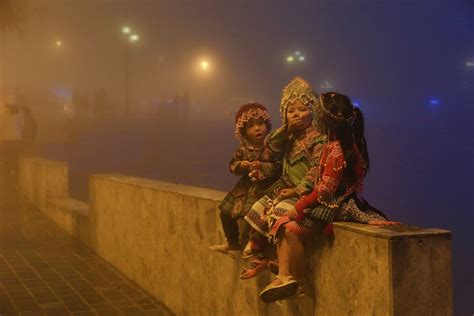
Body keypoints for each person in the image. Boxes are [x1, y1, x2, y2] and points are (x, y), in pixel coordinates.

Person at [258, 92, 398, 303]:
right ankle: (284, 273)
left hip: (336, 205)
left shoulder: (337, 151)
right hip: (328, 202)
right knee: (281, 223)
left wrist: (300, 205)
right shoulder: (336, 146)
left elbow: (325, 190)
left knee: (290, 228)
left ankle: (297, 280)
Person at [242, 77, 327, 278]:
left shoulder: (319, 137)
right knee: (257, 209)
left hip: (305, 193)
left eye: (301, 109)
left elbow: (315, 169)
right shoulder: (287, 136)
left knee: (281, 214)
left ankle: (284, 270)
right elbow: (270, 145)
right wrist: (287, 128)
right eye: (291, 111)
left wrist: (298, 190)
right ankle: (260, 256)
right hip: (285, 187)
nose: (296, 114)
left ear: (313, 111)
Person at [209, 103, 281, 256]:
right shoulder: (242, 149)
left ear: (267, 125)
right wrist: (241, 165)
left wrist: (261, 166)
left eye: (260, 124)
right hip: (243, 188)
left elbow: (278, 167)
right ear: (244, 132)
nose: (257, 128)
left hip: (263, 188)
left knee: (252, 213)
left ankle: (253, 243)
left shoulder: (273, 147)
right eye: (251, 126)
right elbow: (232, 165)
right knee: (225, 212)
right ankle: (232, 242)